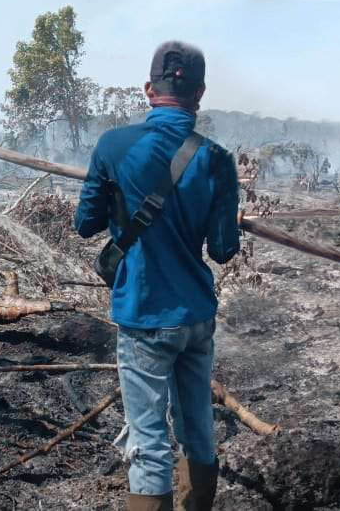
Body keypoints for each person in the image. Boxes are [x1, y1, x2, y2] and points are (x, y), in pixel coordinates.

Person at [74, 41, 240, 510]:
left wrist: (112, 194)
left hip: (145, 315)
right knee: (198, 427)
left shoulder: (112, 146)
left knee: (148, 440)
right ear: (199, 93)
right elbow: (224, 250)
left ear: (149, 89)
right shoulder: (218, 160)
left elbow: (85, 225)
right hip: (196, 318)